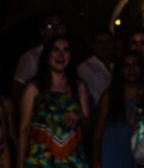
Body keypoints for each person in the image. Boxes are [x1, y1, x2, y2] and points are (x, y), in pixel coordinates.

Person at [18, 35, 90, 167]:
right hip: (40, 159)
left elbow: (87, 124)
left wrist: (79, 116)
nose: (61, 55)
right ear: (47, 55)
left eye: (66, 50)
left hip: (72, 159)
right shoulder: (34, 88)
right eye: (56, 50)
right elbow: (24, 129)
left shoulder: (78, 85)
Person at [92, 51, 144, 168]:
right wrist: (96, 164)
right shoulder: (109, 96)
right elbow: (97, 135)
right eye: (126, 66)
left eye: (135, 65)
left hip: (137, 157)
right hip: (113, 155)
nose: (131, 70)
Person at [12, 14, 66, 101]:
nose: (55, 29)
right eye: (49, 26)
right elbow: (16, 90)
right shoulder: (30, 57)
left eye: (59, 25)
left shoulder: (67, 56)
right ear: (42, 31)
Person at [78, 30, 116, 110]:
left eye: (108, 42)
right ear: (93, 45)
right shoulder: (85, 68)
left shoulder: (116, 67)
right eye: (101, 42)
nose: (105, 46)